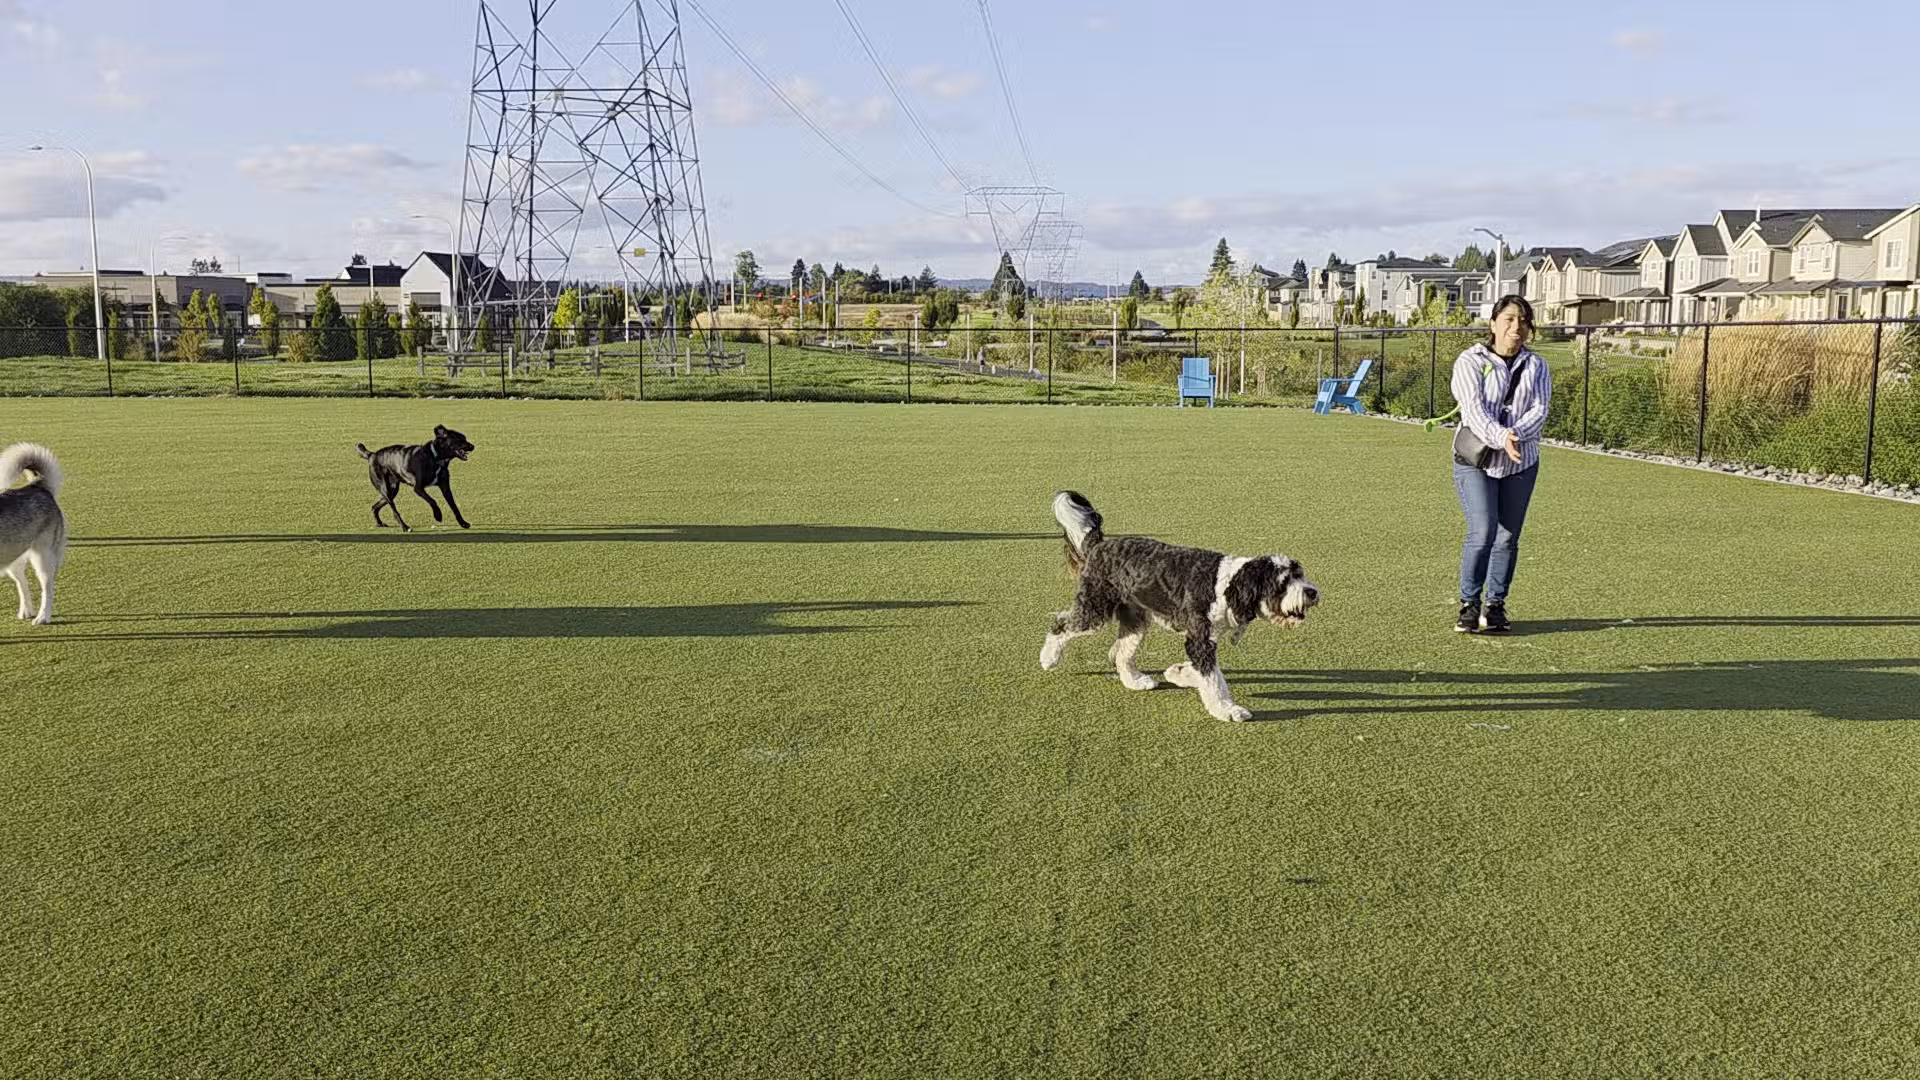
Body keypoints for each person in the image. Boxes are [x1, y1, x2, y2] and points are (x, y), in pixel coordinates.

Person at [1450, 294, 1551, 633]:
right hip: (1475, 460)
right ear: (1493, 323)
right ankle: (1469, 603)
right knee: (1483, 532)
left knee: (1507, 537)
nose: (1516, 327)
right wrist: (1500, 436)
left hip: (1521, 463)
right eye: (1508, 319)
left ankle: (1495, 606)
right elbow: (1473, 410)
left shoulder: (1536, 366)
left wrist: (1515, 435)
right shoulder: (1470, 360)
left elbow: (1540, 409)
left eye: (1523, 320)